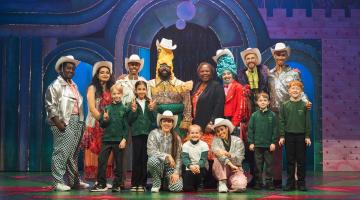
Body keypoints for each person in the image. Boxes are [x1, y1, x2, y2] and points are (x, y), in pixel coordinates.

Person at [268, 42, 311, 188]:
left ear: (286, 55)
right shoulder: (269, 74)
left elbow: (299, 91)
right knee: (275, 148)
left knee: (296, 151)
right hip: (274, 114)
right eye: (277, 53)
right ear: (273, 55)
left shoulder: (294, 72)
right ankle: (277, 179)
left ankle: (298, 181)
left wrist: (306, 102)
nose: (280, 56)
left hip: (291, 112)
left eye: (283, 53)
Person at [45, 55, 89, 191]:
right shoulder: (55, 85)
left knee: (73, 153)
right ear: (61, 69)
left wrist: (82, 123)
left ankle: (74, 181)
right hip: (63, 121)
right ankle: (57, 182)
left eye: (72, 68)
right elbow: (50, 106)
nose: (71, 70)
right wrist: (58, 123)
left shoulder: (73, 85)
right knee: (61, 152)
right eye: (68, 68)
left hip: (77, 121)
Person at [148, 38, 193, 138]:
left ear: (171, 67)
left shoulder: (181, 84)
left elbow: (187, 104)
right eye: (162, 65)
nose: (164, 68)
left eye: (167, 66)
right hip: (156, 122)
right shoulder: (149, 84)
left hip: (177, 122)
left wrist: (186, 122)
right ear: (157, 67)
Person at [90, 84, 130, 192]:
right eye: (114, 94)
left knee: (119, 163)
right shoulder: (107, 108)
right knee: (102, 160)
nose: (116, 95)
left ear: (121, 94)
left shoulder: (125, 109)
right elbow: (103, 125)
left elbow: (126, 126)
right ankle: (101, 183)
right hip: (107, 139)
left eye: (118, 93)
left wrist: (124, 139)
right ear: (111, 95)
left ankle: (117, 184)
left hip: (119, 141)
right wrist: (105, 119)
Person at [191, 62, 224, 188]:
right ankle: (201, 179)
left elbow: (219, 105)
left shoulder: (216, 86)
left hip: (209, 125)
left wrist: (212, 122)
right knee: (201, 152)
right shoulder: (197, 85)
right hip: (198, 125)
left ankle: (211, 180)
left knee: (211, 153)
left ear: (212, 72)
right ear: (199, 73)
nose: (205, 73)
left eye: (207, 71)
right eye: (202, 71)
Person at [82, 61, 115, 180]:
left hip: (109, 125)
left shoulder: (112, 88)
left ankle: (105, 178)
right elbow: (91, 108)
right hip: (95, 123)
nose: (105, 74)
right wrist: (102, 120)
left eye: (107, 72)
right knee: (94, 150)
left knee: (107, 151)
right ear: (97, 74)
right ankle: (96, 180)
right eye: (102, 72)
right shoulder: (92, 88)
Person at [279, 80, 311, 191]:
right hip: (289, 136)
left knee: (301, 161)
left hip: (301, 136)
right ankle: (290, 183)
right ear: (289, 91)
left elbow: (308, 121)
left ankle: (301, 183)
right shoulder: (285, 105)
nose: (295, 90)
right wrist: (282, 136)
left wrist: (307, 136)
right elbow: (282, 121)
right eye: (293, 88)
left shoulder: (305, 105)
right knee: (290, 161)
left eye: (298, 88)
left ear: (301, 91)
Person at [128, 81, 156, 192]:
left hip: (148, 134)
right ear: (135, 91)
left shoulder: (151, 102)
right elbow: (129, 120)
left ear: (146, 90)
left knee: (145, 159)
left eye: (143, 89)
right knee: (136, 158)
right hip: (136, 134)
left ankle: (143, 183)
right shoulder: (132, 102)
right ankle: (135, 183)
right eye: (139, 89)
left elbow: (154, 119)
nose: (141, 91)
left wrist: (151, 109)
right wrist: (133, 111)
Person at [213, 48, 250, 134]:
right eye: (224, 74)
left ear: (232, 73)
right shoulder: (219, 88)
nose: (226, 76)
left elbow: (240, 108)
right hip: (222, 120)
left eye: (228, 73)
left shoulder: (238, 87)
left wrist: (233, 124)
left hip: (234, 121)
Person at [147, 110, 183, 192]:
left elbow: (179, 157)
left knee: (177, 188)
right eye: (164, 121)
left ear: (172, 124)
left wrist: (176, 173)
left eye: (169, 121)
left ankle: (166, 181)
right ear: (160, 123)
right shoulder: (153, 134)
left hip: (170, 166)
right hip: (158, 164)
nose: (167, 123)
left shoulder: (176, 137)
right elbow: (151, 152)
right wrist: (167, 155)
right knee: (152, 160)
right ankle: (157, 182)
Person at [247, 92, 277, 190]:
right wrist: (251, 142)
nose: (263, 102)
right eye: (260, 100)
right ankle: (258, 182)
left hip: (269, 146)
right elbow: (250, 129)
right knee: (257, 165)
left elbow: (275, 129)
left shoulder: (272, 115)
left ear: (268, 102)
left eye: (265, 100)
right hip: (257, 145)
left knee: (269, 165)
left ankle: (269, 182)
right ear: (257, 102)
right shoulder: (254, 115)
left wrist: (273, 142)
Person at [212, 118, 247, 193]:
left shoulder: (238, 141)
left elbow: (239, 159)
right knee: (217, 158)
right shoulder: (215, 141)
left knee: (240, 185)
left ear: (227, 128)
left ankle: (231, 182)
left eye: (222, 129)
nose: (220, 133)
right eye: (218, 131)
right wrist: (230, 164)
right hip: (222, 169)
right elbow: (219, 156)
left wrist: (229, 154)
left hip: (235, 168)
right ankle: (222, 182)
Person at [239, 47, 269, 112]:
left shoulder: (263, 71)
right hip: (248, 106)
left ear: (256, 59)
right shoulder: (241, 75)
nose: (250, 60)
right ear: (245, 61)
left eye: (252, 58)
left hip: (263, 103)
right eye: (248, 59)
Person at [181, 124, 209, 192]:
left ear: (201, 134)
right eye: (192, 133)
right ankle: (191, 184)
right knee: (187, 188)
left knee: (200, 173)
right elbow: (185, 158)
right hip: (189, 166)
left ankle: (200, 184)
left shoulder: (204, 145)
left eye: (197, 133)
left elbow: (203, 159)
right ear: (188, 134)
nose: (194, 135)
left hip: (201, 166)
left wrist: (197, 165)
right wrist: (190, 166)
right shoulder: (185, 145)